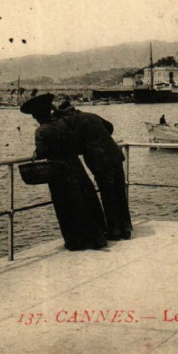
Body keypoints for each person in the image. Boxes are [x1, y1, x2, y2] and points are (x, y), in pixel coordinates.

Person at [20, 94, 107, 251]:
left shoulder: (41, 131)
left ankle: (76, 241)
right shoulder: (63, 124)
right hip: (75, 166)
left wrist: (36, 153)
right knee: (85, 199)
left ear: (36, 116)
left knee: (66, 204)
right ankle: (96, 238)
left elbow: (42, 151)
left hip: (58, 171)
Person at [55, 104, 133, 241]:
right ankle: (126, 228)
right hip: (114, 155)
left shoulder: (75, 123)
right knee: (119, 192)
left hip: (100, 161)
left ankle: (114, 230)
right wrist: (100, 139)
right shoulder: (91, 115)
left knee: (107, 194)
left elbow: (73, 143)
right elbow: (110, 127)